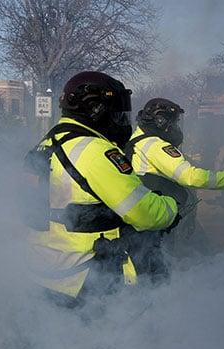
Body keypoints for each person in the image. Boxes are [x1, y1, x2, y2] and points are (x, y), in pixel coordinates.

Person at [23, 72, 179, 307]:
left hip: (42, 271)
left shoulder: (46, 144)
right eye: (117, 112)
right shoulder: (95, 151)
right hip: (84, 279)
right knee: (110, 339)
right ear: (96, 110)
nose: (121, 119)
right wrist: (171, 206)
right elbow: (144, 213)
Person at [121, 98, 224, 280]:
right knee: (195, 265)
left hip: (152, 221)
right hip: (166, 224)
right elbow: (190, 176)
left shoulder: (136, 141)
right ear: (161, 121)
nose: (176, 127)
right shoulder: (155, 145)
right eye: (174, 122)